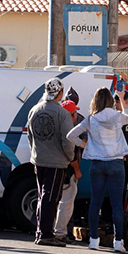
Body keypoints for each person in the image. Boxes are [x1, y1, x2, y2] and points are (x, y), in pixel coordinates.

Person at [67, 87, 128, 252]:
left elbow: (71, 135)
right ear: (110, 100)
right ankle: (118, 242)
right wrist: (122, 99)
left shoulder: (90, 119)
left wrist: (84, 145)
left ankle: (94, 240)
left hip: (97, 163)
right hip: (116, 163)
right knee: (117, 204)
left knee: (96, 202)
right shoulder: (117, 117)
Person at [27, 77, 75, 247]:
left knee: (42, 196)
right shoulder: (62, 113)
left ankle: (41, 231)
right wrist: (70, 158)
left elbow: (30, 136)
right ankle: (46, 234)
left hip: (39, 160)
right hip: (56, 162)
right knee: (50, 198)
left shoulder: (34, 109)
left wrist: (35, 154)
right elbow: (68, 141)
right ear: (60, 93)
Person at [53, 99, 84, 244]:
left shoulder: (55, 126)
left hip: (53, 168)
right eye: (75, 112)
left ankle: (51, 229)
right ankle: (60, 232)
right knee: (66, 203)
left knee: (53, 201)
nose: (77, 115)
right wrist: (77, 170)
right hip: (67, 171)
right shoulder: (69, 131)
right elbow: (70, 154)